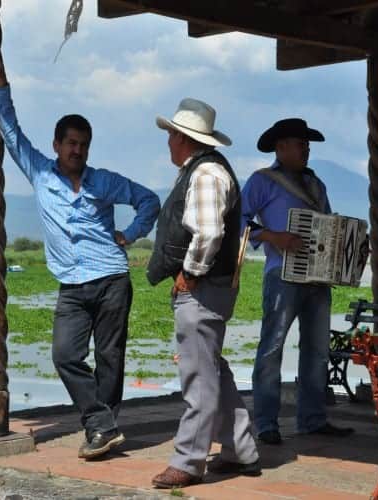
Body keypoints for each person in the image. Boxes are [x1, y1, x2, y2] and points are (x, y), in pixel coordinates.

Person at [0, 51, 160, 459]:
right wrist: (1, 87)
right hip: (72, 285)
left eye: (83, 145)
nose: (77, 150)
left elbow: (149, 201)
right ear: (57, 145)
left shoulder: (104, 182)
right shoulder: (41, 173)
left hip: (112, 278)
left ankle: (102, 431)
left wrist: (131, 234)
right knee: (65, 354)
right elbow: (11, 134)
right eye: (71, 143)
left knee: (109, 357)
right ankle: (103, 424)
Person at [147, 98, 259, 489]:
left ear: (181, 137)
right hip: (213, 286)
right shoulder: (203, 170)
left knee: (198, 373)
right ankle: (240, 449)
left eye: (170, 135)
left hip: (204, 286)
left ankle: (189, 460)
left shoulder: (206, 174)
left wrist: (190, 274)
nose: (167, 142)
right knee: (212, 367)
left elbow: (209, 233)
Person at [241, 118, 354, 445]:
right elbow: (238, 220)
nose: (307, 149)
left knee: (318, 350)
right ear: (281, 147)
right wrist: (272, 235)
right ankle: (265, 423)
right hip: (281, 275)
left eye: (308, 144)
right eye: (300, 143)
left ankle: (312, 419)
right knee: (272, 348)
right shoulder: (262, 181)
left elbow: (329, 227)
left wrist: (349, 248)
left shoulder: (317, 185)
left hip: (318, 279)